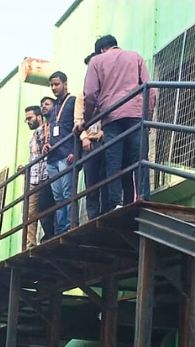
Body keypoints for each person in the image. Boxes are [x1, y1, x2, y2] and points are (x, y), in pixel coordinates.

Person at [80, 34, 156, 214]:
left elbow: (90, 94)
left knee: (113, 161)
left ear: (100, 50)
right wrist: (148, 117)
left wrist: (88, 118)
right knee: (139, 158)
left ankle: (116, 203)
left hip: (111, 116)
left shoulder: (96, 62)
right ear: (115, 45)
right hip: (136, 115)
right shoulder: (135, 56)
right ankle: (143, 196)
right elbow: (150, 91)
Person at [45, 71, 77, 234]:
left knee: (67, 192)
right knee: (58, 197)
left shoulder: (73, 101)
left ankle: (70, 225)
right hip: (52, 158)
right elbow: (52, 131)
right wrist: (47, 145)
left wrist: (74, 150)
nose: (54, 87)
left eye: (56, 84)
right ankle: (61, 228)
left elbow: (78, 126)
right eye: (51, 85)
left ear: (65, 83)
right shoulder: (54, 108)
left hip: (66, 155)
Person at [78, 52, 106, 221]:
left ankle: (106, 210)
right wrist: (84, 137)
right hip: (89, 143)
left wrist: (104, 132)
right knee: (91, 181)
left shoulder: (107, 91)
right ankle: (93, 215)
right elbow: (77, 120)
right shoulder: (82, 95)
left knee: (107, 176)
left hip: (105, 138)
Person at [23, 105, 54, 246]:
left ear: (39, 117)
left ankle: (50, 234)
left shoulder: (45, 130)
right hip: (34, 177)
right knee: (30, 212)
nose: (27, 121)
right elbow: (34, 156)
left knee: (45, 207)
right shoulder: (32, 138)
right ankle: (30, 241)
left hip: (45, 175)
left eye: (30, 118)